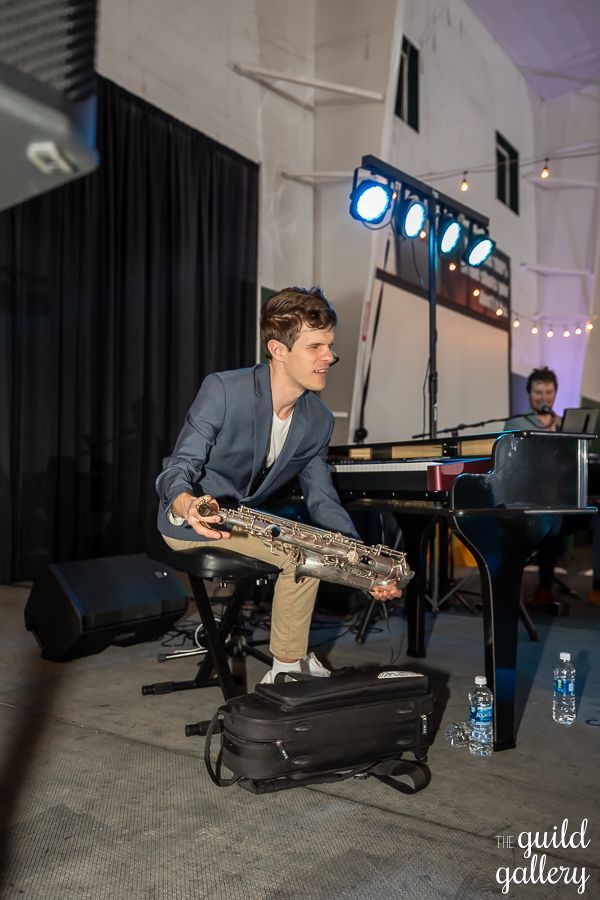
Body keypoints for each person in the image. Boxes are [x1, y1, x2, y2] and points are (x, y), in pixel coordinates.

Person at [156, 286, 400, 683]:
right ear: (278, 349)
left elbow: (323, 501)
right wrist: (186, 503)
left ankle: (295, 657)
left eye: (330, 345)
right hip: (190, 520)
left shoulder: (318, 420)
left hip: (244, 521)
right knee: (297, 554)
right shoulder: (223, 390)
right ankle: (286, 672)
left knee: (315, 542)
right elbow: (179, 466)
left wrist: (364, 566)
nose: (330, 357)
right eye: (316, 346)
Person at [505, 367, 566, 613]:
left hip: (561, 496)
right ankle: (533, 589)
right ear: (529, 394)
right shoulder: (517, 422)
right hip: (526, 497)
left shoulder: (563, 423)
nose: (543, 397)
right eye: (538, 392)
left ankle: (547, 588)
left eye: (548, 392)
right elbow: (507, 461)